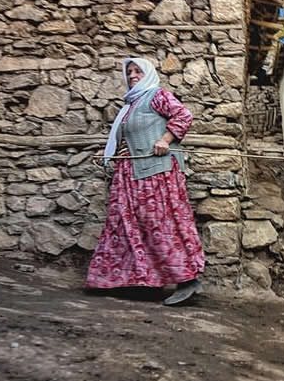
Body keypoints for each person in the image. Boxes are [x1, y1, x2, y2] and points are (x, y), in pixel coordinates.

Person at [86, 57, 205, 305]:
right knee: (126, 227)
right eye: (128, 72)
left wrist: (165, 139)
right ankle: (141, 280)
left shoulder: (156, 96)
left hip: (156, 174)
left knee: (160, 225)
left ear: (148, 73)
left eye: (137, 70)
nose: (131, 75)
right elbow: (127, 138)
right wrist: (108, 153)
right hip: (130, 176)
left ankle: (187, 279)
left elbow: (183, 115)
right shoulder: (129, 106)